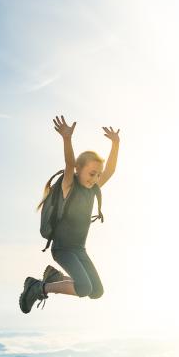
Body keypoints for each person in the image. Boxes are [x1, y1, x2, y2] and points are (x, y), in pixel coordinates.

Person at [19, 115, 119, 313]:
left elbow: (111, 170)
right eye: (92, 173)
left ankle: (55, 277)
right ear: (79, 169)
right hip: (63, 249)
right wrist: (67, 139)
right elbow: (68, 163)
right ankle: (38, 287)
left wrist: (115, 144)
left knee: (96, 291)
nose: (96, 178)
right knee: (83, 288)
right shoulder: (69, 187)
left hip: (79, 249)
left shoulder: (93, 189)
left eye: (98, 174)